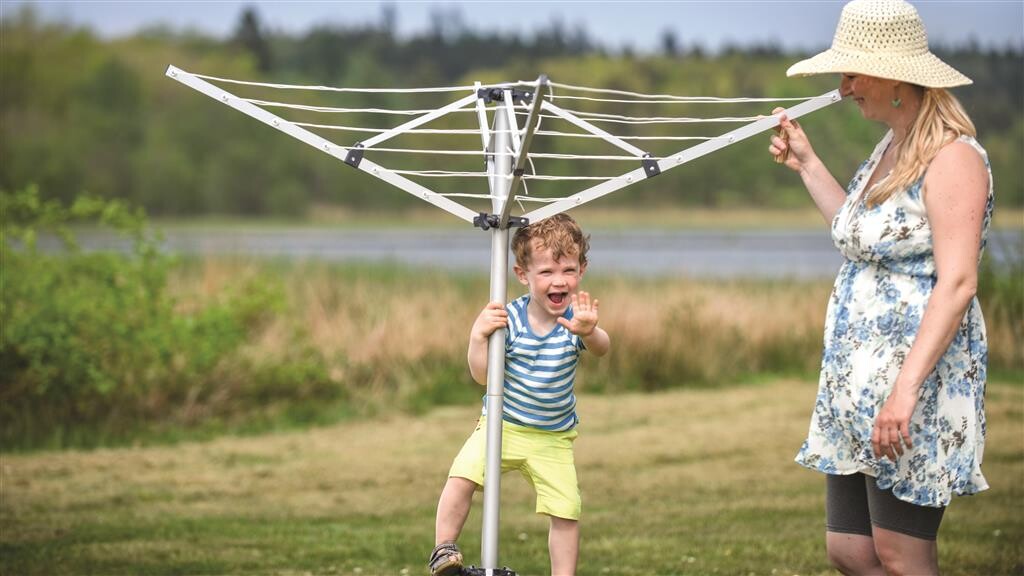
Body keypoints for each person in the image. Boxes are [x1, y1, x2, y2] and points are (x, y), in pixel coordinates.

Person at [768, 1, 992, 574]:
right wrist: (809, 164)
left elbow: (959, 282)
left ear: (895, 77)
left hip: (911, 381)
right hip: (855, 382)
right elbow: (862, 237)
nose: (843, 88)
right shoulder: (890, 149)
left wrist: (904, 391)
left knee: (900, 554)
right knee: (850, 551)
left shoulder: (954, 157)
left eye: (852, 73)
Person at [427, 213, 611, 576]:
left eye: (568, 270)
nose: (559, 281)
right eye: (546, 272)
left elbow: (603, 349)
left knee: (566, 510)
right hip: (502, 425)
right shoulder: (507, 318)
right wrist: (477, 337)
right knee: (462, 475)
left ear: (582, 269)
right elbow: (483, 376)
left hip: (553, 437)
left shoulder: (577, 319)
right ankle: (443, 549)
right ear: (522, 275)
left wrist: (590, 332)